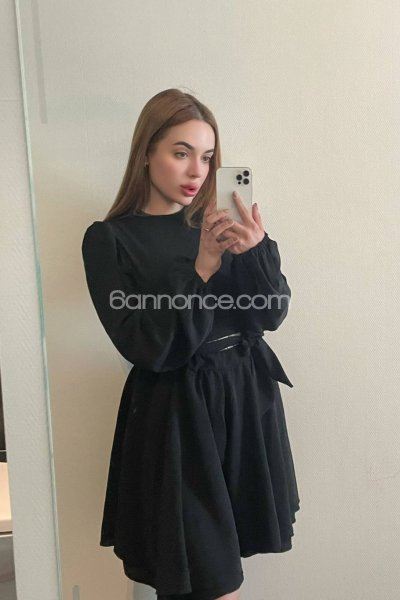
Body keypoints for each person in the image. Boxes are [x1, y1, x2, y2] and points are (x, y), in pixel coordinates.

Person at [81, 88, 300, 600]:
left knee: (210, 570)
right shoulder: (110, 240)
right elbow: (146, 346)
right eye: (181, 153)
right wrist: (201, 268)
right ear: (146, 153)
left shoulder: (221, 226)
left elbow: (269, 315)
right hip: (178, 416)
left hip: (246, 402)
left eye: (206, 157)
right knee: (204, 577)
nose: (197, 171)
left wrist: (254, 252)